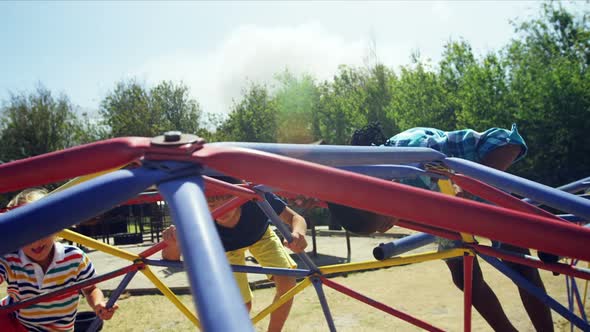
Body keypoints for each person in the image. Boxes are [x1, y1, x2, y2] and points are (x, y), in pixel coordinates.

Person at [328, 122, 553, 332]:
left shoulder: (419, 151)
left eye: (384, 222)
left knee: (520, 267)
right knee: (464, 278)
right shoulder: (371, 181)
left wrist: (469, 185)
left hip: (483, 200)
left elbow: (508, 143)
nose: (385, 229)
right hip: (448, 216)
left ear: (379, 194)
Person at [162, 177, 307, 332]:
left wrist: (298, 232)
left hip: (260, 236)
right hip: (225, 248)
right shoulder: (197, 216)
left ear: (240, 198)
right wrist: (173, 244)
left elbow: (295, 218)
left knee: (287, 282)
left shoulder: (255, 196)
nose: (219, 210)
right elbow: (171, 259)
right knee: (242, 305)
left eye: (226, 203)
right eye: (210, 204)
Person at [0, 188, 119, 332]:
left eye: (42, 230)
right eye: (26, 234)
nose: (36, 241)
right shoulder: (10, 259)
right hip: (18, 324)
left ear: (56, 227)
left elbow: (91, 289)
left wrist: (98, 303)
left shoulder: (74, 258)